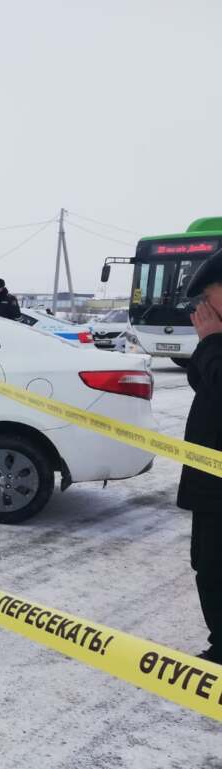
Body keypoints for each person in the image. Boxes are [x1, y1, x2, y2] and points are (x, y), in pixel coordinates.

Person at [179, 248, 222, 663]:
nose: (202, 311)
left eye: (209, 297)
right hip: (211, 487)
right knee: (209, 567)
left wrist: (211, 343)